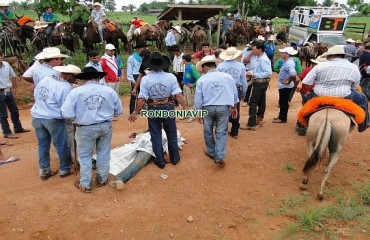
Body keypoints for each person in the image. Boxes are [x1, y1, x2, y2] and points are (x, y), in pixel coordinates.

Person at [62, 67, 123, 193]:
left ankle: (86, 184)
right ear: (98, 77)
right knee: (104, 152)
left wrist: (79, 117)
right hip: (105, 126)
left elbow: (66, 113)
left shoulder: (76, 92)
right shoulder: (109, 91)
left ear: (83, 79)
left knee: (84, 156)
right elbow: (119, 111)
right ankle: (102, 179)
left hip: (85, 128)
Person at [128, 52, 188, 169]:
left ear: (150, 64)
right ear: (163, 64)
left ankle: (160, 160)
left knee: (155, 134)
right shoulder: (171, 77)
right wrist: (185, 108)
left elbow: (141, 99)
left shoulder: (145, 79)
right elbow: (179, 96)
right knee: (171, 133)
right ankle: (175, 158)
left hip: (153, 108)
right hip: (168, 107)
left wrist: (135, 112)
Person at [31, 64, 81, 180]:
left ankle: (44, 170)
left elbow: (36, 94)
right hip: (53, 118)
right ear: (69, 75)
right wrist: (74, 118)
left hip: (37, 116)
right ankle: (65, 168)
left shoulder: (46, 79)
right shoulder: (65, 87)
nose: (76, 80)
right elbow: (65, 107)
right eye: (75, 77)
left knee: (43, 145)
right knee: (62, 144)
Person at [302, 45, 368, 132]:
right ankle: (363, 124)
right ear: (343, 55)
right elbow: (354, 86)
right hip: (344, 95)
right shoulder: (353, 67)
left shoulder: (320, 66)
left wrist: (311, 90)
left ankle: (304, 121)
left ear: (330, 56)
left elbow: (306, 83)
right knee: (363, 99)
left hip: (319, 95)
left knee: (305, 100)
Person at [194, 55, 238, 167]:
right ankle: (219, 156)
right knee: (221, 132)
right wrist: (234, 107)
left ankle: (211, 152)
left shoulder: (202, 79)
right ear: (214, 65)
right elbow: (234, 93)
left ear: (205, 67)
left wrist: (198, 112)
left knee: (208, 131)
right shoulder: (227, 77)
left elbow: (198, 97)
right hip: (223, 107)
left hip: (207, 108)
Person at [240, 42, 272, 131]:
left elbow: (268, 72)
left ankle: (251, 123)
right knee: (261, 101)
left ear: (260, 49)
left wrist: (253, 74)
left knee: (253, 102)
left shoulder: (263, 59)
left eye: (254, 49)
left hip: (260, 82)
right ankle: (259, 119)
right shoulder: (258, 58)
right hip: (260, 82)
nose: (253, 50)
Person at [217, 47, 247, 138]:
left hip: (224, 90)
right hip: (236, 89)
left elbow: (218, 80)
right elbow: (243, 81)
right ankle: (234, 131)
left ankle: (222, 130)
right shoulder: (241, 65)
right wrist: (244, 92)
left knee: (223, 109)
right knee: (236, 109)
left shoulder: (221, 66)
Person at [0, 52, 30, 139]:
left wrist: (15, 87)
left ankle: (18, 127)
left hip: (8, 91)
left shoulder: (6, 64)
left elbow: (13, 76)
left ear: (2, 56)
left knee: (14, 110)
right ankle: (7, 132)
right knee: (2, 114)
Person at [273, 47, 297, 123]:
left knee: (283, 102)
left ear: (287, 54)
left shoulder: (289, 63)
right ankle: (281, 116)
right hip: (284, 86)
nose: (281, 54)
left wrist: (288, 81)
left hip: (285, 86)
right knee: (282, 101)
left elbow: (293, 75)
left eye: (283, 53)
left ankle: (282, 118)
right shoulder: (287, 62)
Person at [127, 42, 148, 114]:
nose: (144, 48)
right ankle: (132, 109)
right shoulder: (132, 58)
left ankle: (140, 108)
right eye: (143, 47)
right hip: (135, 75)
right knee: (134, 93)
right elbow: (129, 69)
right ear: (138, 49)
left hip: (144, 75)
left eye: (145, 47)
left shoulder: (146, 57)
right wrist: (131, 80)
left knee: (142, 93)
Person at [181, 53, 201, 123]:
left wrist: (193, 84)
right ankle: (186, 114)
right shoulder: (186, 66)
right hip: (185, 86)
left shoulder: (192, 67)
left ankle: (192, 116)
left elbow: (199, 77)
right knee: (185, 101)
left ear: (184, 60)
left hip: (190, 88)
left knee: (190, 102)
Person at [241, 42, 254, 106]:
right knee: (248, 85)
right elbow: (245, 60)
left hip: (257, 70)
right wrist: (251, 53)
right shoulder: (247, 50)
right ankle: (246, 100)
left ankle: (254, 100)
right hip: (248, 69)